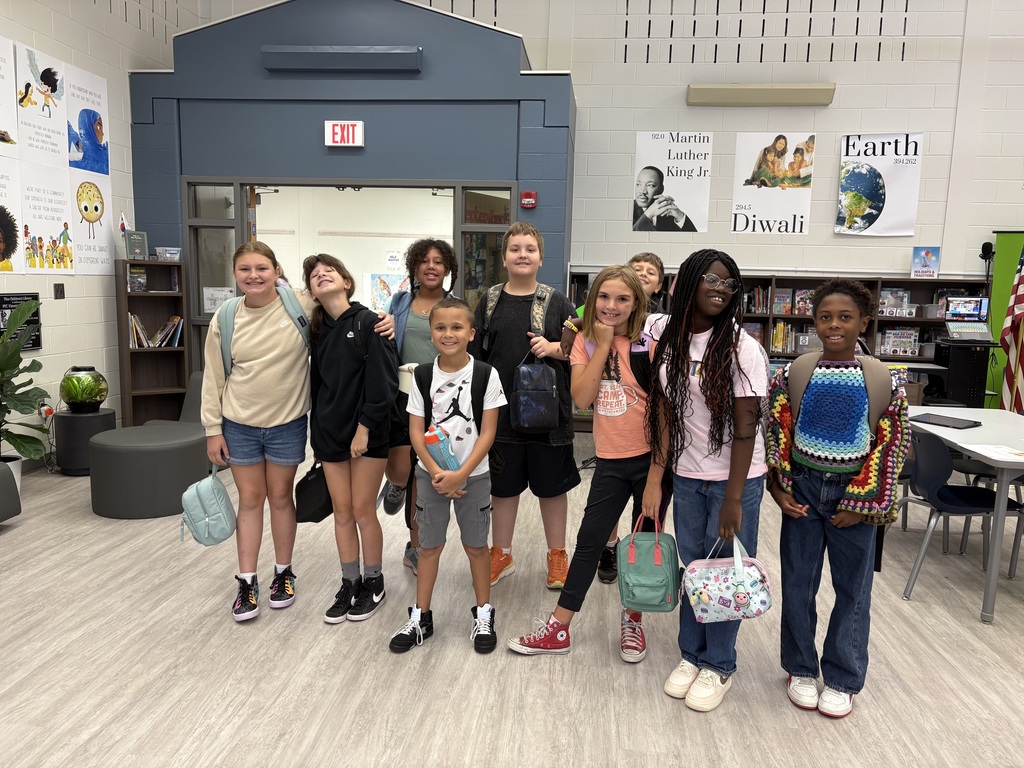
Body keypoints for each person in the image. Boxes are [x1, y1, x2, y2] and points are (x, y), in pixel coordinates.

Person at [766, 278, 909, 719]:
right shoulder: (794, 372)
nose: (834, 325)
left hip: (854, 496)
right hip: (805, 490)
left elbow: (892, 444)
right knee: (798, 581)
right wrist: (779, 484)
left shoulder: (886, 378)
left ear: (864, 321)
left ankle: (844, 676)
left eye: (845, 318)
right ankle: (801, 668)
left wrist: (861, 501)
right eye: (825, 317)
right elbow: (778, 427)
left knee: (853, 589)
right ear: (813, 321)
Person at [508, 265, 656, 661]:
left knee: (642, 546)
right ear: (591, 301)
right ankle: (559, 627)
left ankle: (633, 620)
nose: (611, 306)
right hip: (609, 460)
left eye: (622, 299)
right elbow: (583, 398)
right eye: (603, 297)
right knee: (589, 541)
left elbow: (668, 413)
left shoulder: (649, 343)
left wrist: (659, 473)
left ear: (636, 303)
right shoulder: (584, 343)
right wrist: (602, 344)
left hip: (650, 464)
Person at [643, 248, 768, 713]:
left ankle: (719, 664)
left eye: (728, 284)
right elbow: (664, 410)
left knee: (726, 575)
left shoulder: (742, 347)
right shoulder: (669, 338)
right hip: (687, 473)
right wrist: (658, 475)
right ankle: (690, 655)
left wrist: (734, 498)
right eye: (711, 280)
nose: (719, 289)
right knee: (694, 569)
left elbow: (745, 426)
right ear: (688, 283)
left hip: (733, 479)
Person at [201, 241, 314, 622]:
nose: (254, 276)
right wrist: (212, 429)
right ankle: (246, 582)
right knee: (250, 501)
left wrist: (381, 318)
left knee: (281, 497)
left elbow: (343, 307)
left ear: (275, 269)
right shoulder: (227, 316)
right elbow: (214, 378)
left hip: (287, 423)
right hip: (239, 426)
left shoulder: (300, 304)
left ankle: (283, 573)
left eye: (261, 268)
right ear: (235, 274)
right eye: (245, 269)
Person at [388, 297, 506, 653]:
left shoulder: (486, 374)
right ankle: (420, 615)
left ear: (471, 333)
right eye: (440, 327)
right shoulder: (421, 375)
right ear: (431, 332)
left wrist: (462, 474)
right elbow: (415, 431)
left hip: (475, 476)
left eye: (457, 327)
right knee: (428, 546)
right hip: (431, 477)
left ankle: (483, 612)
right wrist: (440, 472)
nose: (448, 333)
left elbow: (487, 433)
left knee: (476, 546)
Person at [469, 221, 580, 590]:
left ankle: (557, 555)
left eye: (529, 249)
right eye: (515, 249)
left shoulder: (559, 301)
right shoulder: (488, 301)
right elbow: (476, 358)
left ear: (541, 257)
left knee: (552, 490)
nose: (522, 254)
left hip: (549, 415)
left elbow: (587, 350)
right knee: (502, 490)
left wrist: (555, 349)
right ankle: (501, 552)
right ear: (504, 257)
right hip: (500, 417)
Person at [304, 253, 399, 624]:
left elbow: (384, 384)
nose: (321, 275)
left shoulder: (370, 322)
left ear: (346, 281)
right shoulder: (316, 330)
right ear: (311, 291)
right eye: (314, 275)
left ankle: (374, 581)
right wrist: (317, 438)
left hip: (367, 436)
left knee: (362, 510)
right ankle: (350, 582)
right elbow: (317, 388)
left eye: (329, 271)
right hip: (329, 435)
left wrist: (364, 428)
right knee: (341, 513)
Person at [378, 239, 460, 577]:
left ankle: (416, 545)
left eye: (439, 261)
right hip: (401, 398)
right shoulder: (399, 302)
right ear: (414, 266)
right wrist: (383, 325)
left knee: (421, 481)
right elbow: (385, 337)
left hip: (441, 402)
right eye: (424, 260)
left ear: (447, 269)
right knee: (400, 470)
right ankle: (395, 483)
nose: (431, 266)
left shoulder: (456, 307)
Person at [632, 166, 697, 232]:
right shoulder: (626, 210)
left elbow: (695, 239)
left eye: (650, 185)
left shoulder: (667, 212)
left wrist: (680, 217)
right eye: (638, 184)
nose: (642, 191)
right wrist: (648, 214)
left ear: (661, 189)